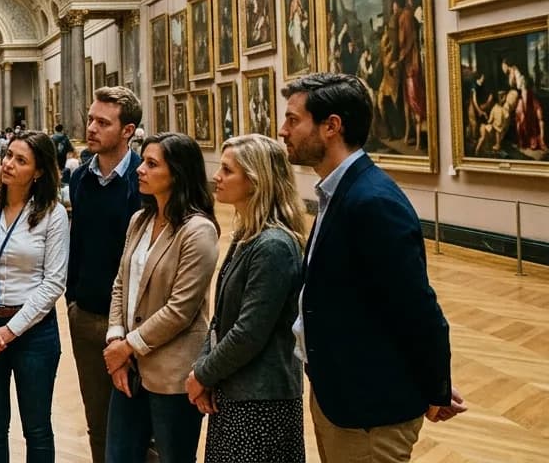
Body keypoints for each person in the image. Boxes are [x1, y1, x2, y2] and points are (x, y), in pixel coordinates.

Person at [279, 73, 465, 462]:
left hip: (371, 411)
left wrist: (435, 389)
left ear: (331, 126)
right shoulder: (340, 191)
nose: (283, 131)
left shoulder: (372, 201)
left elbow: (416, 307)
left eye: (294, 120)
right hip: (341, 398)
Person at [186, 134, 306, 462]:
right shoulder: (247, 236)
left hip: (261, 401)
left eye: (227, 170)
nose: (216, 177)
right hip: (236, 390)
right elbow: (221, 316)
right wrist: (204, 369)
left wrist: (202, 374)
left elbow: (249, 331)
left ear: (254, 181)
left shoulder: (274, 245)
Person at [103, 132, 218, 463]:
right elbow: (121, 284)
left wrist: (128, 346)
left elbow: (181, 309)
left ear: (178, 173)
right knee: (119, 456)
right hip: (128, 365)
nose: (140, 169)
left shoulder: (198, 230)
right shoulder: (140, 219)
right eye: (143, 161)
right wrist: (116, 341)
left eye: (152, 164)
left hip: (172, 371)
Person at [0, 131, 68, 461]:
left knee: (36, 427)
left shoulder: (53, 214)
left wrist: (9, 331)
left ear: (37, 172)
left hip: (34, 331)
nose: (7, 163)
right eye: (8, 155)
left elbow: (53, 283)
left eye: (20, 160)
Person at [65, 86, 143, 463]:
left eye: (102, 122)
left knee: (141, 427)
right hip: (87, 314)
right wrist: (72, 301)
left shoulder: (145, 181)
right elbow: (76, 242)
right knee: (98, 421)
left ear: (127, 131)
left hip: (134, 327)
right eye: (91, 119)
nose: (91, 128)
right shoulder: (80, 179)